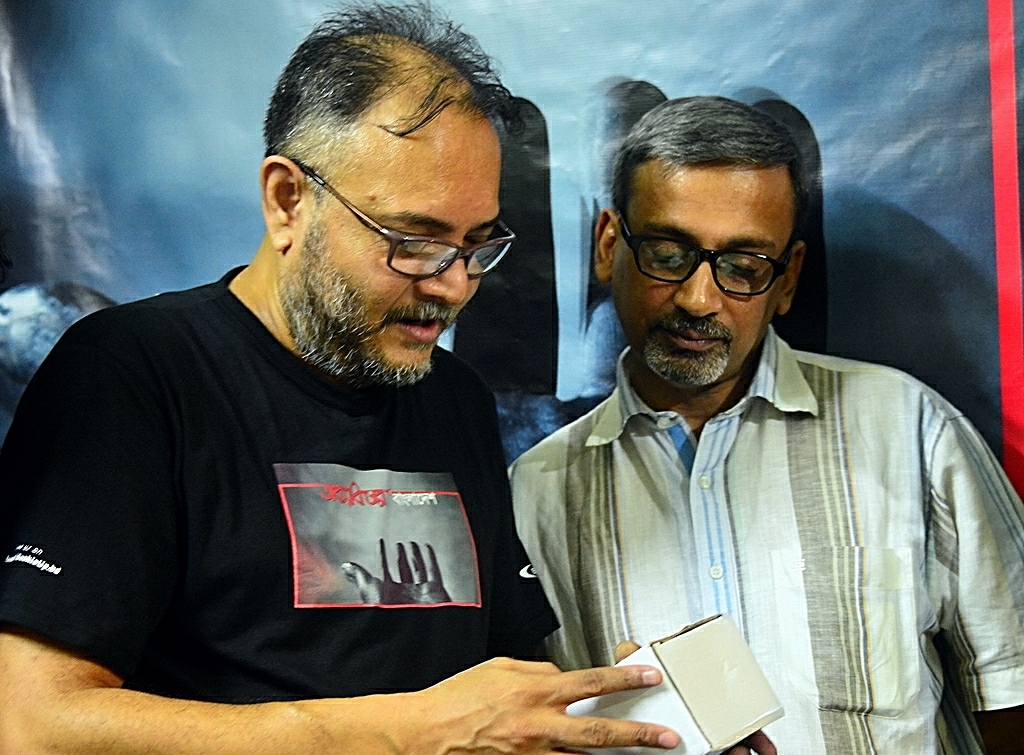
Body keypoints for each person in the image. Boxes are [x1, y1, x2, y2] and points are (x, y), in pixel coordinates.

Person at [0, 5, 696, 753]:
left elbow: (501, 695)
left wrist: (638, 716)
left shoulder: (452, 397)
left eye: (476, 244)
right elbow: (30, 724)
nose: (454, 285)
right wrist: (404, 733)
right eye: (414, 240)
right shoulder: (131, 374)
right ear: (287, 200)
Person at [510, 95, 1024, 754]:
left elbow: (1011, 692)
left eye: (744, 268)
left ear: (788, 279)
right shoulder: (537, 491)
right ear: (610, 244)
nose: (699, 298)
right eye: (667, 253)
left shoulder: (911, 431)